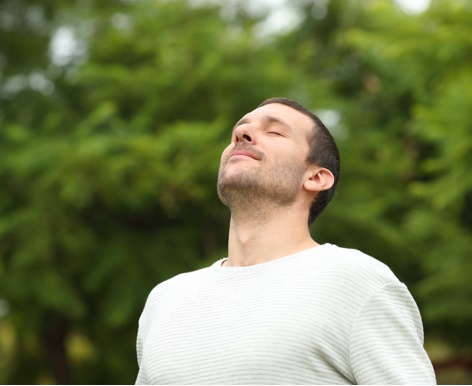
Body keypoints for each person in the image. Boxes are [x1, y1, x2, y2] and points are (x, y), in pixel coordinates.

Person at [135, 97, 436, 385]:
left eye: (274, 131)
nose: (242, 133)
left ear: (316, 178)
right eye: (239, 130)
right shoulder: (166, 299)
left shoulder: (356, 282)